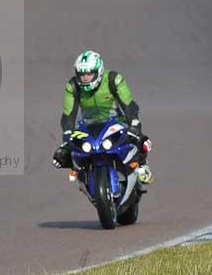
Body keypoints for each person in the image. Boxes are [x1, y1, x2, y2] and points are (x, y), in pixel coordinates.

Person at [52, 50, 153, 184]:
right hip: (88, 126)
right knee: (61, 155)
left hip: (116, 122)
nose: (85, 78)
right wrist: (67, 133)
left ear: (99, 71)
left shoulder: (113, 79)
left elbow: (129, 104)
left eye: (89, 73)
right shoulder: (73, 86)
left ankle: (142, 165)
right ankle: (82, 174)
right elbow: (68, 114)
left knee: (141, 140)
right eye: (82, 74)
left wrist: (134, 123)